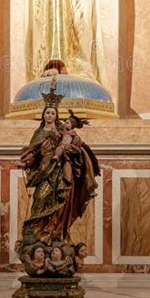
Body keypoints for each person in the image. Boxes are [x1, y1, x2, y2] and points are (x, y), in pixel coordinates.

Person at [19, 100, 99, 246]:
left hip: (59, 170)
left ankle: (54, 233)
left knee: (61, 202)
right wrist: (26, 162)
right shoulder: (39, 133)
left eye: (52, 113)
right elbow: (34, 152)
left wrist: (70, 151)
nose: (49, 115)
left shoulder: (62, 131)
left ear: (56, 116)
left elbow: (75, 145)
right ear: (43, 115)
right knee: (40, 197)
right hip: (44, 170)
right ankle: (37, 231)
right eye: (47, 113)